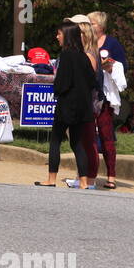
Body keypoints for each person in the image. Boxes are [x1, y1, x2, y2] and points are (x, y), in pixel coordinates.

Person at [37, 22, 95, 189]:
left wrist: (57, 90)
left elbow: (62, 83)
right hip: (83, 106)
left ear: (67, 35)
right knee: (77, 143)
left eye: (59, 34)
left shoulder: (66, 55)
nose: (57, 37)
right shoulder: (84, 56)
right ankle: (84, 182)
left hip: (67, 104)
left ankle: (51, 179)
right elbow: (92, 81)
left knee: (55, 140)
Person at [87, 12, 127, 190]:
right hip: (88, 94)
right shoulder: (85, 42)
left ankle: (111, 176)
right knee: (87, 136)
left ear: (101, 26)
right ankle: (89, 175)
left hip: (105, 96)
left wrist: (111, 67)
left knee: (106, 135)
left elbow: (123, 66)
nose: (88, 26)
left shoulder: (112, 43)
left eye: (91, 23)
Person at [65, 14, 101, 188]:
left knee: (87, 140)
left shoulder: (89, 55)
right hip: (79, 103)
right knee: (79, 140)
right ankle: (81, 176)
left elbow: (85, 83)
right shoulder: (82, 53)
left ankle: (90, 179)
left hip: (86, 105)